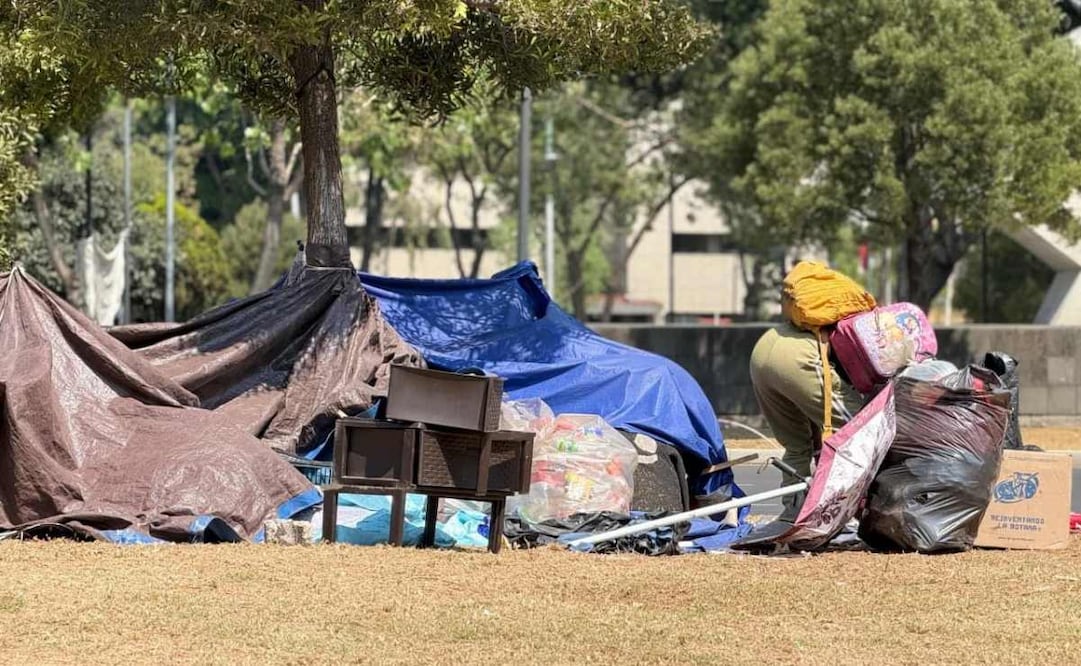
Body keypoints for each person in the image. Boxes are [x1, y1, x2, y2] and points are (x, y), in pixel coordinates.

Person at [749, 275, 870, 523]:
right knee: (866, 429)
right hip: (799, 356)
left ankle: (794, 512)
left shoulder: (821, 322)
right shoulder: (873, 335)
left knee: (797, 445)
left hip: (764, 350)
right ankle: (869, 511)